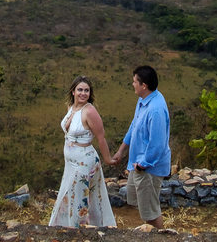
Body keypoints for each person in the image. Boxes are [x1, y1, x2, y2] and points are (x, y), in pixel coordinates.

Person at [48, 76, 117, 227]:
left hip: (84, 163)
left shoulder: (90, 111)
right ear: (73, 91)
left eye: (86, 90)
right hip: (70, 163)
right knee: (69, 195)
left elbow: (101, 137)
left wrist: (108, 159)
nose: (83, 93)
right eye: (80, 90)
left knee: (80, 201)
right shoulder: (71, 107)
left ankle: (80, 231)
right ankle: (67, 228)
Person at [109, 65, 171, 228]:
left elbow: (157, 144)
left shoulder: (155, 110)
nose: (132, 84)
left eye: (135, 81)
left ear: (144, 85)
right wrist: (122, 150)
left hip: (148, 167)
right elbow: (134, 125)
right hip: (138, 163)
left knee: (150, 212)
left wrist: (143, 165)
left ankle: (159, 237)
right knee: (142, 204)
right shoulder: (144, 99)